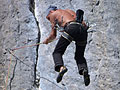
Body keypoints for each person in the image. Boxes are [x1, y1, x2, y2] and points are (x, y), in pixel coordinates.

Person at [43, 5, 90, 86]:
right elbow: (83, 24)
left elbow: (53, 36)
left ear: (50, 11)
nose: (49, 19)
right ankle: (84, 70)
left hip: (71, 28)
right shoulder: (69, 11)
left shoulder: (53, 14)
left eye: (48, 17)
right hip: (82, 31)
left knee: (57, 52)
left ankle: (61, 68)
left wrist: (47, 41)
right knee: (79, 55)